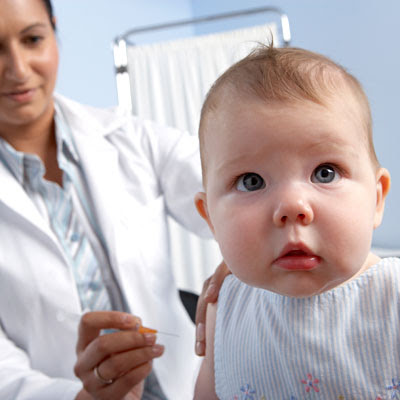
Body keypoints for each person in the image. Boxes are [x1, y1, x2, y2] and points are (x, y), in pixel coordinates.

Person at [0, 0, 228, 399]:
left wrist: (254, 251)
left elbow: (229, 188)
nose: (18, 69)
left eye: (32, 39)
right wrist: (82, 397)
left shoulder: (130, 137)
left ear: (53, 30)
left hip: (185, 386)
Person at [193, 44, 397, 399]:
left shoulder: (392, 299)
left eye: (325, 172)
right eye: (251, 181)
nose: (292, 206)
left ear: (376, 199)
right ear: (210, 218)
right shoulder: (225, 314)